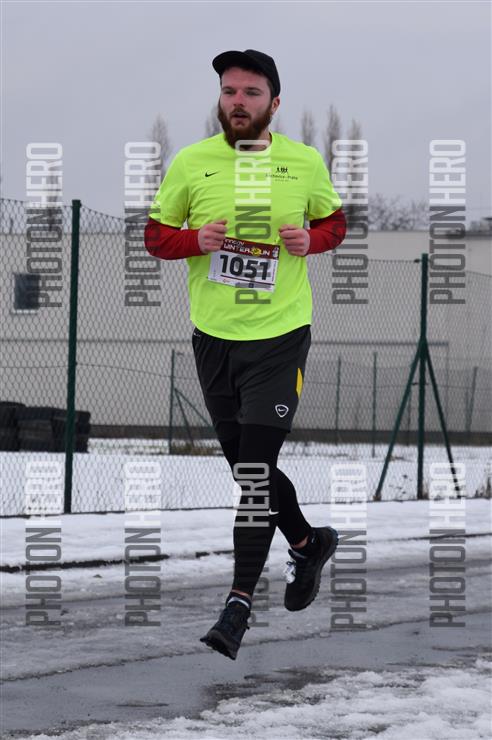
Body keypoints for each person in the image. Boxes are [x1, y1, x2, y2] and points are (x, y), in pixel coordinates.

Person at [145, 49, 346, 660]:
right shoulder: (192, 162)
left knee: (255, 471)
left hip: (281, 337)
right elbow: (155, 236)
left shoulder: (303, 162)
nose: (238, 101)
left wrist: (311, 239)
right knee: (246, 468)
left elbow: (335, 224)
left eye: (251, 93)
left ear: (273, 104)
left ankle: (237, 606)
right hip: (214, 338)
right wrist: (194, 240)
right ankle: (308, 543)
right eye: (229, 91)